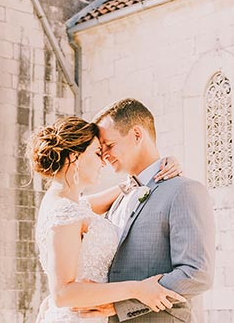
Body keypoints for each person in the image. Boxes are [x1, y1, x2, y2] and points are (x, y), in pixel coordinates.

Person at [30, 116, 187, 323]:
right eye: (97, 153)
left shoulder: (71, 205)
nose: (103, 161)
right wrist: (137, 289)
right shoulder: (63, 211)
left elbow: (126, 188)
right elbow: (62, 294)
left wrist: (162, 166)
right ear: (73, 158)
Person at [87, 99, 216, 322]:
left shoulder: (184, 191)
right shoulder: (118, 198)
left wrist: (122, 305)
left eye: (109, 145)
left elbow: (197, 274)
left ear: (137, 135)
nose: (104, 155)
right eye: (101, 149)